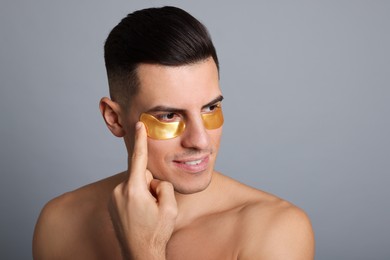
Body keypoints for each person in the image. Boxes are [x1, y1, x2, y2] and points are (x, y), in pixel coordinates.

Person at [33, 6, 314, 260]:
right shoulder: (61, 222)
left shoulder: (276, 230)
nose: (200, 140)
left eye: (210, 108)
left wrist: (144, 249)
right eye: (169, 115)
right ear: (114, 118)